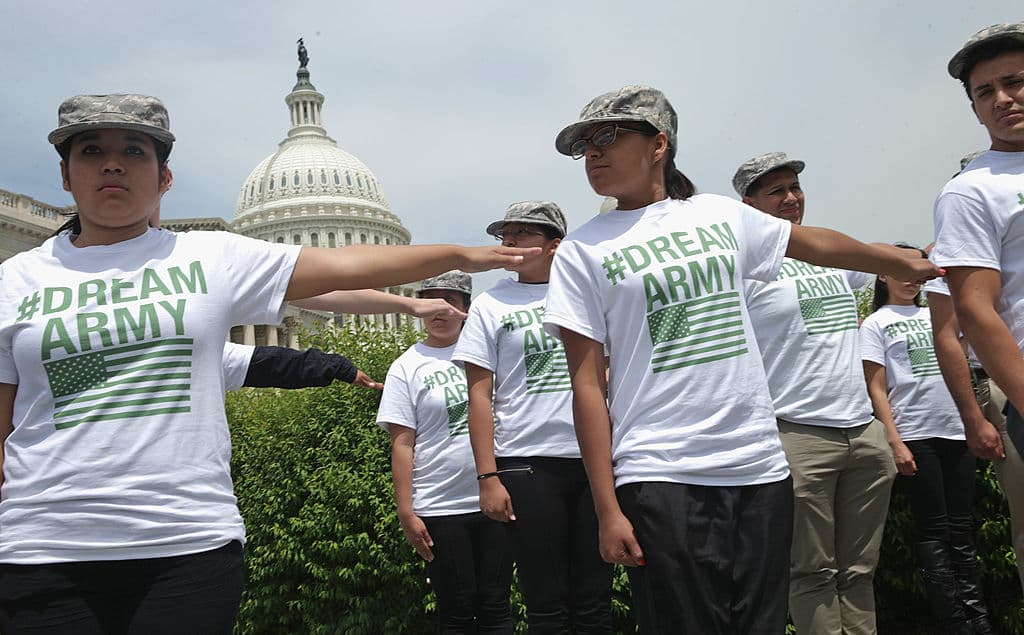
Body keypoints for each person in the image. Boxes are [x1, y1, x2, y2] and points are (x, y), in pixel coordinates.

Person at [0, 94, 536, 634]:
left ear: (164, 177)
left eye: (134, 151)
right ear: (65, 176)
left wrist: (460, 256)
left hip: (187, 544)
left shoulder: (211, 258)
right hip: (41, 546)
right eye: (91, 150)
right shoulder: (14, 282)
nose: (112, 164)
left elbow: (339, 271)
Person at [540, 85, 940, 633]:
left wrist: (897, 260)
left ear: (660, 144)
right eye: (584, 145)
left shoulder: (716, 215)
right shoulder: (582, 251)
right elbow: (586, 385)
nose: (594, 153)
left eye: (608, 136)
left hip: (760, 469)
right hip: (661, 473)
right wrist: (607, 507)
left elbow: (812, 244)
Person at [734, 152, 895, 634]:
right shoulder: (741, 271)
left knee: (861, 571)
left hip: (864, 433)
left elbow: (891, 261)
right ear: (748, 204)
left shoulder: (833, 258)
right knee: (811, 572)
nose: (790, 199)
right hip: (798, 436)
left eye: (795, 188)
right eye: (776, 191)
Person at [453, 202, 613, 633]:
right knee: (546, 602)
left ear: (554, 245)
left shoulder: (588, 292)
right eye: (506, 235)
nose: (509, 243)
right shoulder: (490, 304)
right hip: (525, 462)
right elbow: (479, 395)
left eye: (523, 235)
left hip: (593, 459)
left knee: (595, 600)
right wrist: (487, 476)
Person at [931, 23, 1024, 600]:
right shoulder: (971, 191)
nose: (1001, 99)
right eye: (985, 92)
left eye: (1014, 82)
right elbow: (975, 311)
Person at [860, 245, 991, 634]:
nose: (911, 277)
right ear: (882, 275)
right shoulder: (875, 324)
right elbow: (876, 387)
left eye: (916, 269)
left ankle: (978, 620)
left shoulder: (936, 313)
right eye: (900, 269)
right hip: (917, 434)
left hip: (957, 428)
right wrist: (894, 439)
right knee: (934, 531)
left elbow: (965, 359)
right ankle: (953, 622)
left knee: (961, 529)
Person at [377, 272, 513, 634]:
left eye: (449, 302)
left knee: (496, 604)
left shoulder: (491, 353)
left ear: (466, 309)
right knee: (456, 609)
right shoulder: (406, 366)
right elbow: (403, 443)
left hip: (497, 498)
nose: (439, 311)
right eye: (430, 301)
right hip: (439, 504)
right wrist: (406, 510)